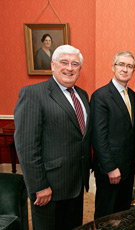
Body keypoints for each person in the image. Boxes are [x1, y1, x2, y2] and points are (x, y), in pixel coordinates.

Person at [14, 45, 92, 230]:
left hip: (75, 183)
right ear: (53, 65)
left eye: (75, 64)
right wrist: (39, 186)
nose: (70, 68)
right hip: (50, 187)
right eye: (64, 62)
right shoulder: (33, 94)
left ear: (80, 69)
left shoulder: (82, 95)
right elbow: (27, 146)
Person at [91, 51, 135, 219]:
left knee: (122, 213)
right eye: (121, 64)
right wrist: (110, 168)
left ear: (134, 70)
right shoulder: (101, 96)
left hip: (127, 168)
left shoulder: (131, 95)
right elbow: (98, 137)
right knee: (106, 214)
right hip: (110, 170)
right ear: (113, 67)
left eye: (129, 66)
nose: (125, 69)